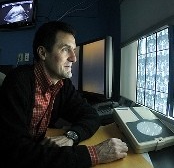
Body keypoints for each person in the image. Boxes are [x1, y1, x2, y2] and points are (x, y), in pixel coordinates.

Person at [0, 21, 128, 168]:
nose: (74, 58)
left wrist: (71, 136)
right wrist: (94, 154)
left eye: (74, 50)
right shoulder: (18, 82)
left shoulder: (62, 84)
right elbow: (16, 153)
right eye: (65, 49)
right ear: (42, 53)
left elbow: (90, 115)